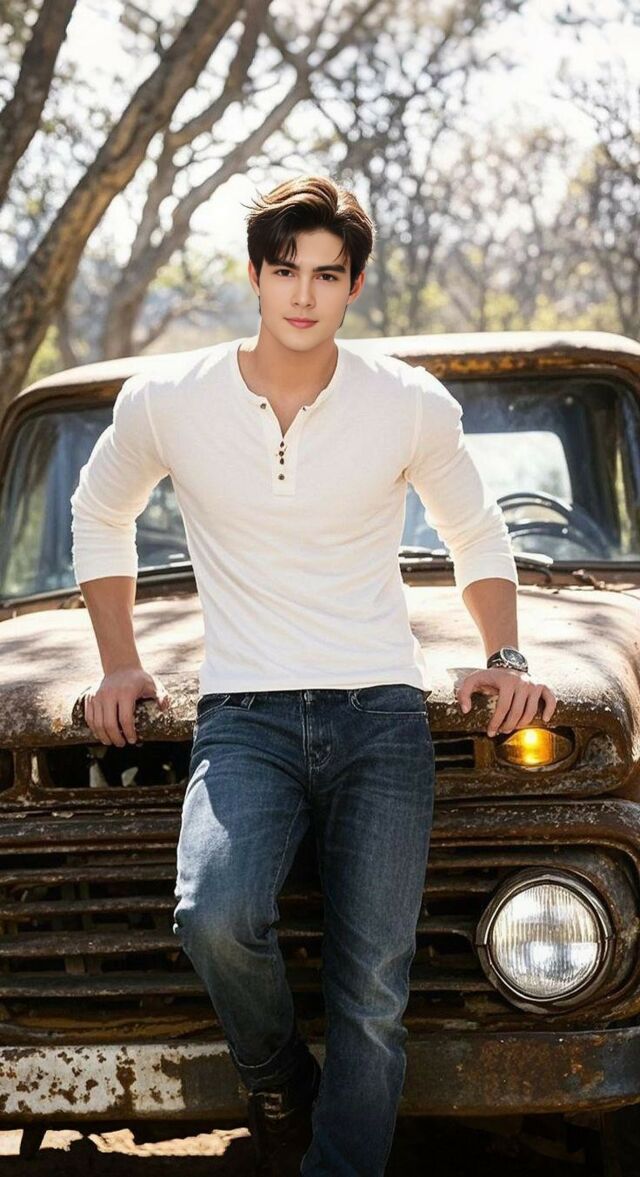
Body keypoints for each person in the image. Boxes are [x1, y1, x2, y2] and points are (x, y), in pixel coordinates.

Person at [70, 174, 557, 1176]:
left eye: (327, 274)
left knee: (371, 989)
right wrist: (119, 662)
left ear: (354, 285)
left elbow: (475, 530)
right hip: (243, 712)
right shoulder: (169, 399)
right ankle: (278, 1076)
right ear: (253, 274)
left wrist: (505, 655)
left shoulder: (406, 403)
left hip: (380, 713)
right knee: (213, 913)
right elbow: (98, 508)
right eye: (286, 269)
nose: (303, 293)